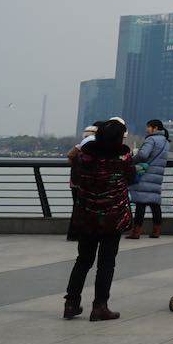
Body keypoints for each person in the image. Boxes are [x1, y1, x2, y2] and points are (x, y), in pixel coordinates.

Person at [64, 120, 136, 321]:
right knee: (106, 262)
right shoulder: (122, 157)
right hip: (113, 217)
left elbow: (76, 180)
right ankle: (100, 306)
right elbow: (132, 178)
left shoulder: (84, 156)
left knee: (83, 260)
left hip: (86, 215)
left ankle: (71, 303)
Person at [127, 119, 170, 239]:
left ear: (155, 128)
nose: (146, 129)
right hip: (157, 176)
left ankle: (136, 232)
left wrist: (131, 160)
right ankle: (156, 231)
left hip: (146, 174)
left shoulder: (151, 139)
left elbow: (143, 155)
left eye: (148, 127)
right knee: (154, 204)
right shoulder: (166, 141)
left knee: (141, 203)